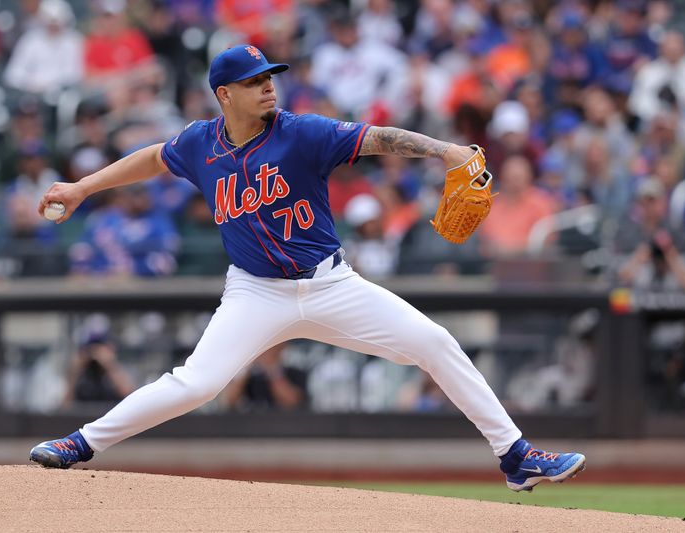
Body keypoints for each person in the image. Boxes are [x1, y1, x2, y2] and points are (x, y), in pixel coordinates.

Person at [29, 44, 585, 492]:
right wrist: (83, 186)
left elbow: (378, 139)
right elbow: (153, 157)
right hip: (255, 294)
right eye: (254, 80)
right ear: (224, 94)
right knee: (196, 383)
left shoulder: (302, 132)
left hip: (330, 284)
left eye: (270, 75)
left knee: (436, 342)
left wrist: (447, 151)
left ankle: (515, 456)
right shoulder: (201, 143)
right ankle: (80, 443)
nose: (269, 84)